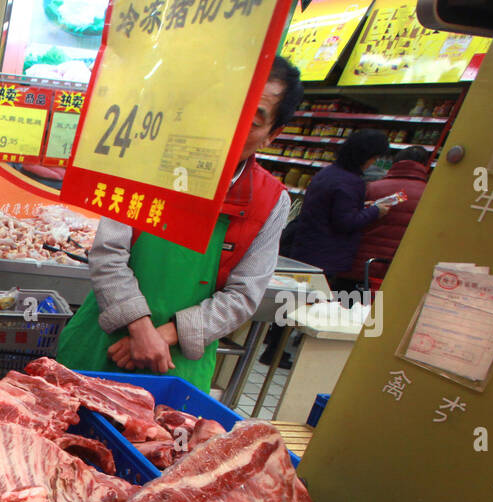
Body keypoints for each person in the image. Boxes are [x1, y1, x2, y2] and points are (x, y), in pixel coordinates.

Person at [55, 56, 305, 391]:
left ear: (272, 135)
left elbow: (244, 295)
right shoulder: (145, 163)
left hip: (177, 363)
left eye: (254, 119)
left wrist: (162, 336)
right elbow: (108, 253)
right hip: (100, 342)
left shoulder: (270, 201)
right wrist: (140, 328)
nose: (232, 124)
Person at [283, 128, 395, 292]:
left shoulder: (328, 172)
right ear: (366, 157)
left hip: (306, 248)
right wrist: (374, 211)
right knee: (308, 304)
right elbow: (345, 222)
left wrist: (359, 207)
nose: (373, 163)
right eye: (375, 158)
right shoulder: (350, 182)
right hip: (325, 255)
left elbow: (329, 208)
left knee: (295, 299)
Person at [351, 145, 430, 283]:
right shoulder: (430, 194)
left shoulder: (372, 187)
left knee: (345, 301)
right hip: (397, 270)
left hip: (361, 262)